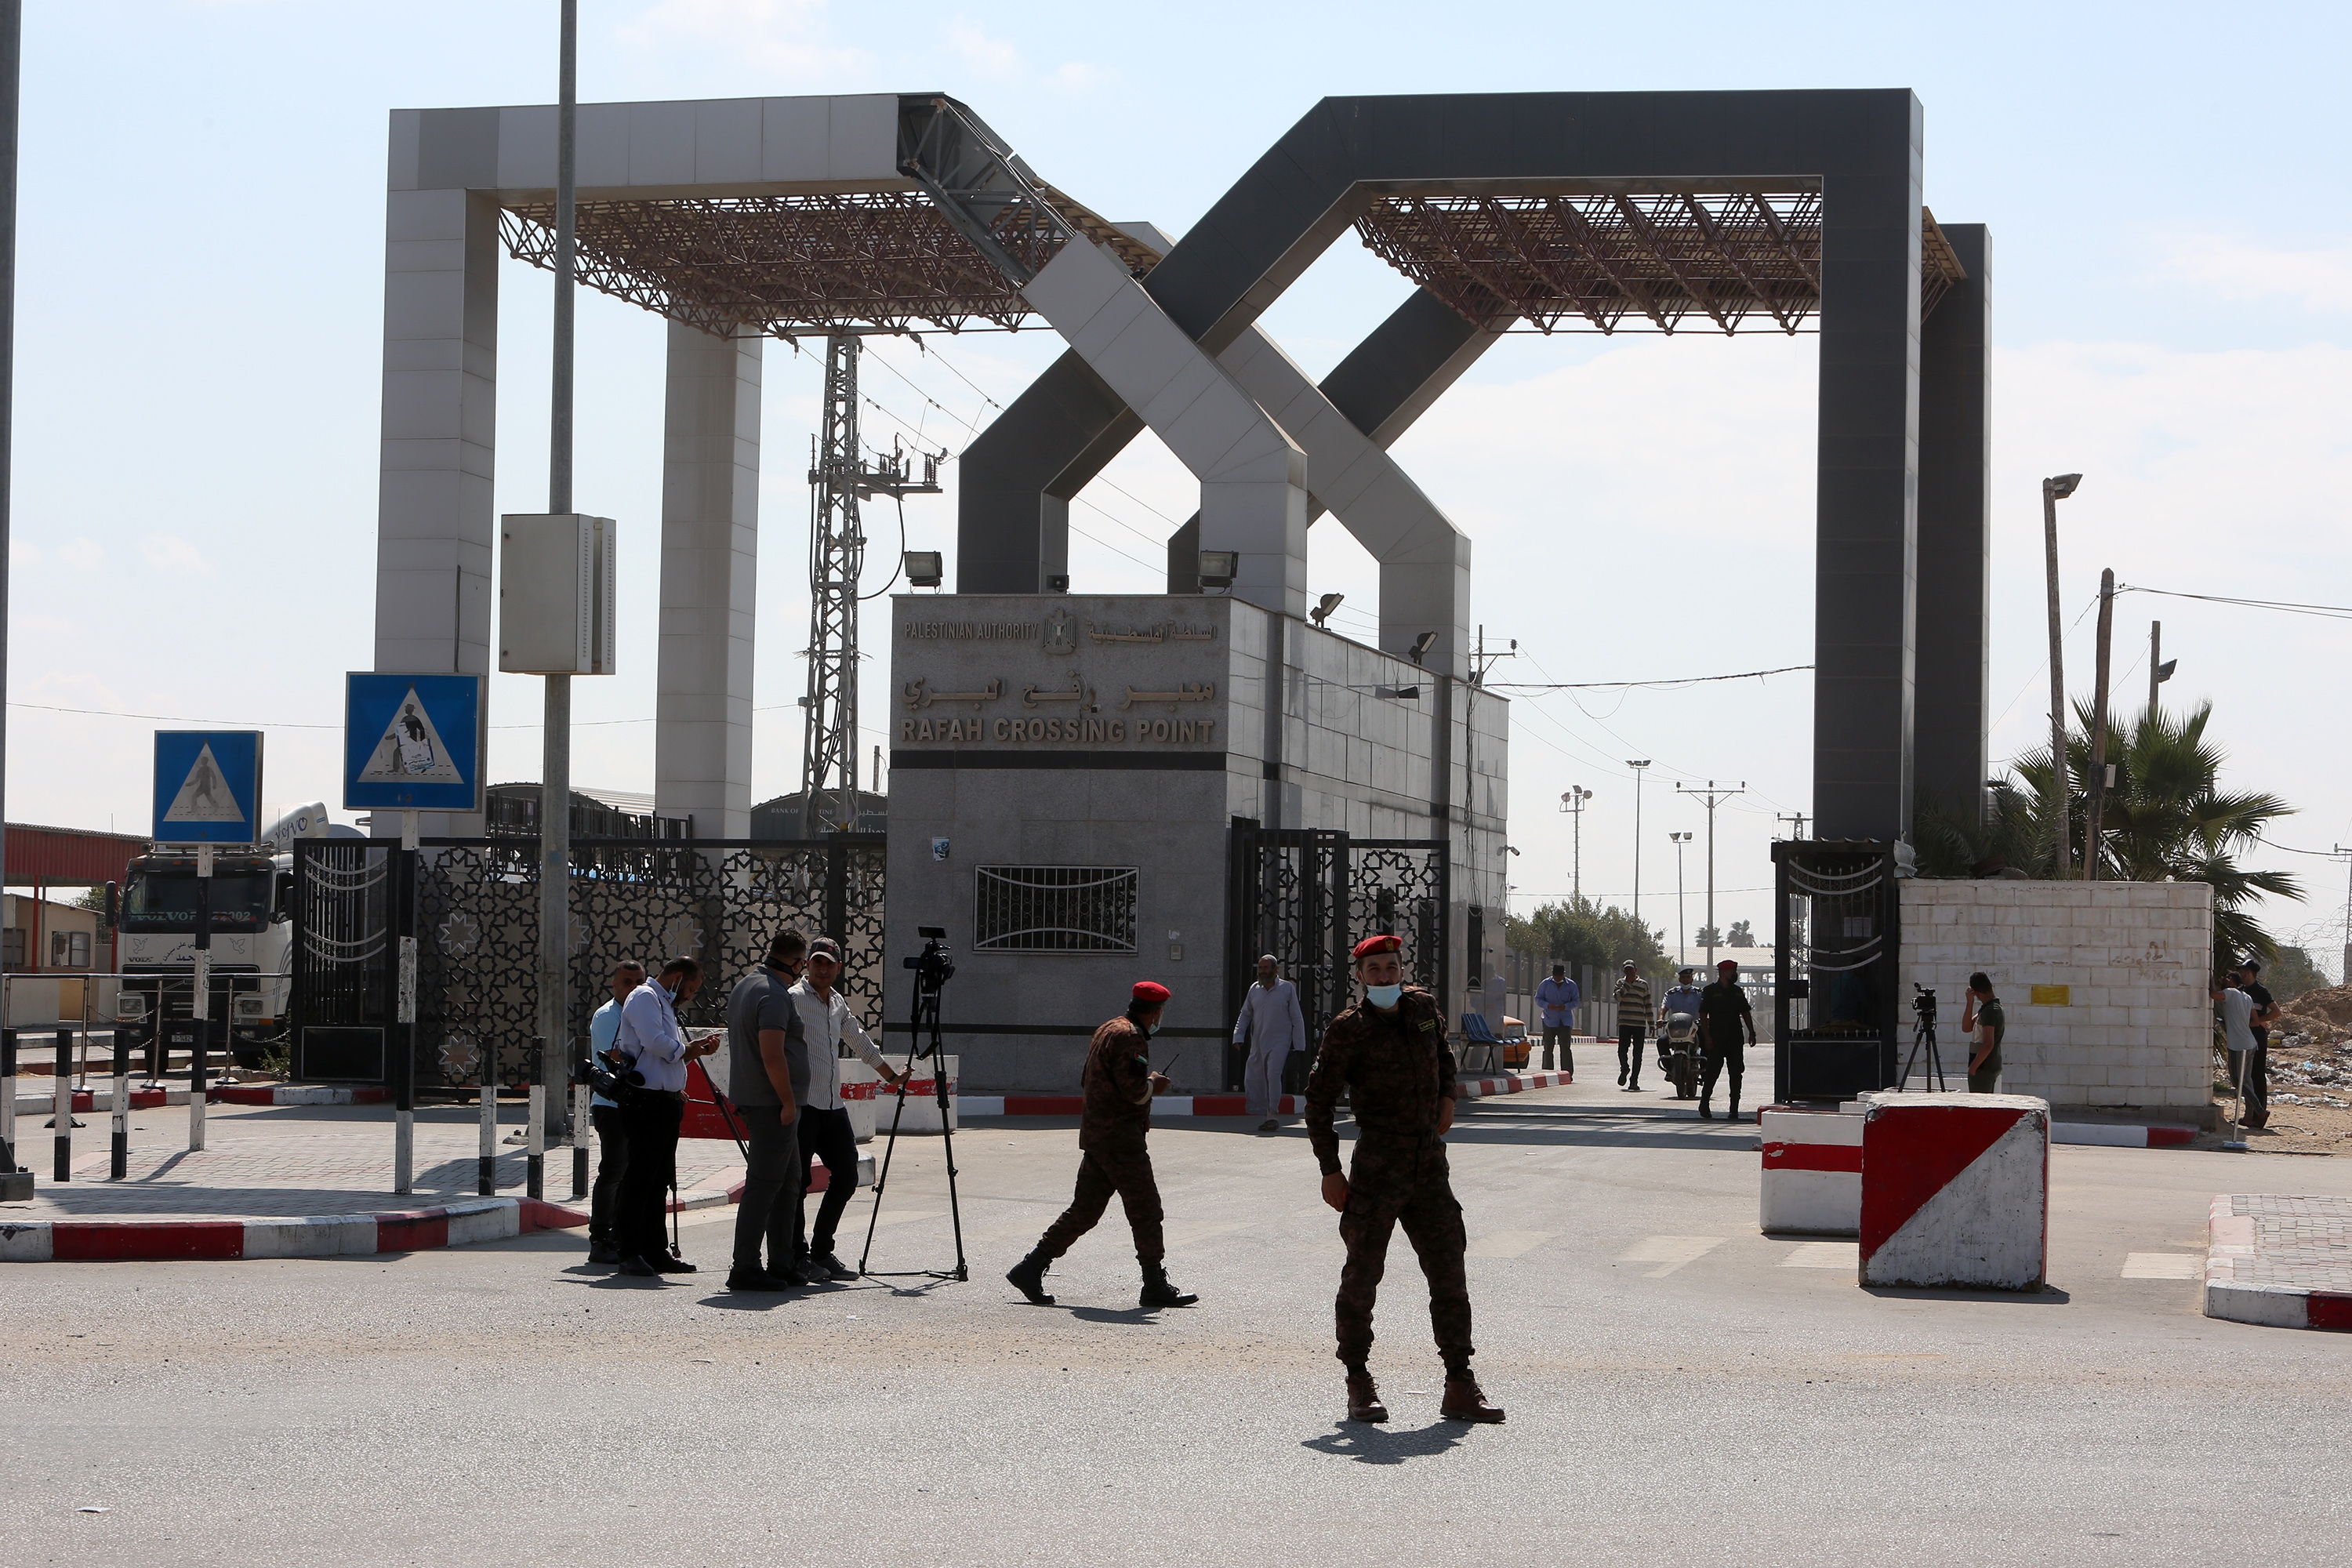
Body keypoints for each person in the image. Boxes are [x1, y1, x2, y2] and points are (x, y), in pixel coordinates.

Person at [1306, 933, 1503, 1426]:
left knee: (1449, 1275)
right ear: (1360, 978)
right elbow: (1318, 1101)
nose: (1384, 977)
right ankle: (1358, 1382)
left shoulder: (1422, 1009)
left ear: (1401, 969)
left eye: (1390, 968)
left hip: (1428, 1167)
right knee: (1362, 1276)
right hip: (1376, 1167)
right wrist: (1330, 1169)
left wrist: (1448, 1099)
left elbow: (1443, 1059)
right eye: (1374, 971)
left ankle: (1459, 1382)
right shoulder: (1347, 1030)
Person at [1007, 982, 1198, 1310]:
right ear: (1154, 1012)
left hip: (1098, 1135)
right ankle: (1154, 1283)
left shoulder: (1108, 1028)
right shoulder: (1131, 1037)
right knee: (1147, 1210)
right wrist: (1155, 1084)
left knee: (1085, 1210)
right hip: (1120, 1139)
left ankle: (1030, 1267)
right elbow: (1134, 1090)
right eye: (1160, 1012)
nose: (1159, 1018)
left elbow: (1090, 1080)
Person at [787, 936, 903, 1280]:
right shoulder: (792, 999)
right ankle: (797, 1255)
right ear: (808, 964)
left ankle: (822, 1251)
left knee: (847, 1175)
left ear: (838, 968)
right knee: (798, 1182)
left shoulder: (837, 1002)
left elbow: (859, 1041)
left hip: (831, 1105)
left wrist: (891, 1076)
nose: (823, 969)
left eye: (829, 964)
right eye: (817, 962)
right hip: (803, 1103)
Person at [612, 956, 720, 1279]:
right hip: (645, 1102)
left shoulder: (664, 1004)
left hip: (666, 1102)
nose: (689, 996)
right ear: (675, 978)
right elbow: (656, 1044)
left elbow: (667, 1057)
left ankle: (655, 1250)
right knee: (640, 1177)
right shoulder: (644, 997)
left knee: (660, 1179)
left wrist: (692, 1049)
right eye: (689, 988)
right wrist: (690, 1050)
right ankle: (629, 1250)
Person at [722, 931, 811, 1292]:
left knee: (789, 1182)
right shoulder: (774, 995)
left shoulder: (747, 984)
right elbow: (772, 1054)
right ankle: (744, 1267)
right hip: (771, 1103)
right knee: (763, 1185)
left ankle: (782, 1262)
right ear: (796, 963)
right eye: (803, 963)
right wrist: (788, 1101)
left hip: (760, 1099)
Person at [585, 959, 647, 1266]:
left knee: (630, 1175)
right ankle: (600, 1237)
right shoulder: (608, 1015)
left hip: (640, 1105)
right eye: (627, 982)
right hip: (611, 1105)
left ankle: (625, 1236)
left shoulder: (645, 1012)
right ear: (614, 984)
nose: (634, 987)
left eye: (639, 981)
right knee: (612, 1172)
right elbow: (618, 1055)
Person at [1232, 953, 1308, 1132]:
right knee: (1253, 1077)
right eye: (1260, 968)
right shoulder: (1254, 989)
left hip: (1280, 1041)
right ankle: (1264, 1112)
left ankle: (1272, 1114)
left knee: (1273, 1076)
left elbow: (1296, 1018)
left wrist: (1299, 1045)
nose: (1263, 971)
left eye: (1266, 968)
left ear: (1275, 970)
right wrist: (1238, 1035)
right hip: (1258, 1041)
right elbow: (1246, 1014)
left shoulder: (1287, 989)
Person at [1695, 958, 1755, 1121]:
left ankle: (1734, 1109)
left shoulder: (1737, 991)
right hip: (1716, 1038)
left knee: (1736, 1074)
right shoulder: (1710, 991)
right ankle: (1704, 1104)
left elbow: (1746, 1012)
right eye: (1731, 972)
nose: (1734, 974)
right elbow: (1703, 1015)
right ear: (1722, 973)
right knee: (1712, 1072)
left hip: (1735, 1038)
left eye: (1735, 971)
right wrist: (1707, 1037)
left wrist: (1752, 1032)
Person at [2212, 970, 2264, 1129]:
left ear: (2230, 980)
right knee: (2247, 1081)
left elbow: (2213, 995)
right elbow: (2255, 1021)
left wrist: (2209, 979)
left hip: (2238, 1045)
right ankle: (2248, 1117)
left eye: (2225, 978)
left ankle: (2260, 1110)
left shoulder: (2230, 992)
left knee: (2237, 1081)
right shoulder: (2246, 997)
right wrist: (2236, 1024)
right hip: (2250, 1043)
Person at [1958, 971, 2005, 1094]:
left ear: (1977, 992)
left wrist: (1973, 1068)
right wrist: (1970, 1002)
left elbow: (1988, 1044)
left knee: (1980, 1107)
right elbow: (1967, 1027)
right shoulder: (1988, 1008)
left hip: (1984, 1067)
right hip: (1985, 1066)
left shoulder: (1991, 1010)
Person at [1613, 960, 1653, 1091]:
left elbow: (1648, 1004)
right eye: (1626, 970)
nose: (1629, 972)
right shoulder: (1620, 983)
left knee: (1638, 1053)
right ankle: (1624, 1068)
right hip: (1625, 1022)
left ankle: (1634, 1080)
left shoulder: (1643, 985)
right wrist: (1627, 984)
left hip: (1639, 1024)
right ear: (1624, 971)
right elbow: (1618, 998)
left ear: (1636, 970)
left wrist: (1651, 1023)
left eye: (1631, 970)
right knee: (1622, 1049)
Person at [1534, 963, 1579, 1074]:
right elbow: (1538, 999)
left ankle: (1567, 1073)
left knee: (1565, 1047)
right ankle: (1547, 1072)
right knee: (1548, 1047)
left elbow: (1576, 1001)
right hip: (1549, 1019)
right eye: (1556, 976)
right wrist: (1547, 1005)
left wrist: (1565, 1007)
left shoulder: (1571, 985)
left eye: (1560, 976)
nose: (1557, 978)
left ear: (1563, 975)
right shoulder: (1545, 984)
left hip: (1565, 1020)